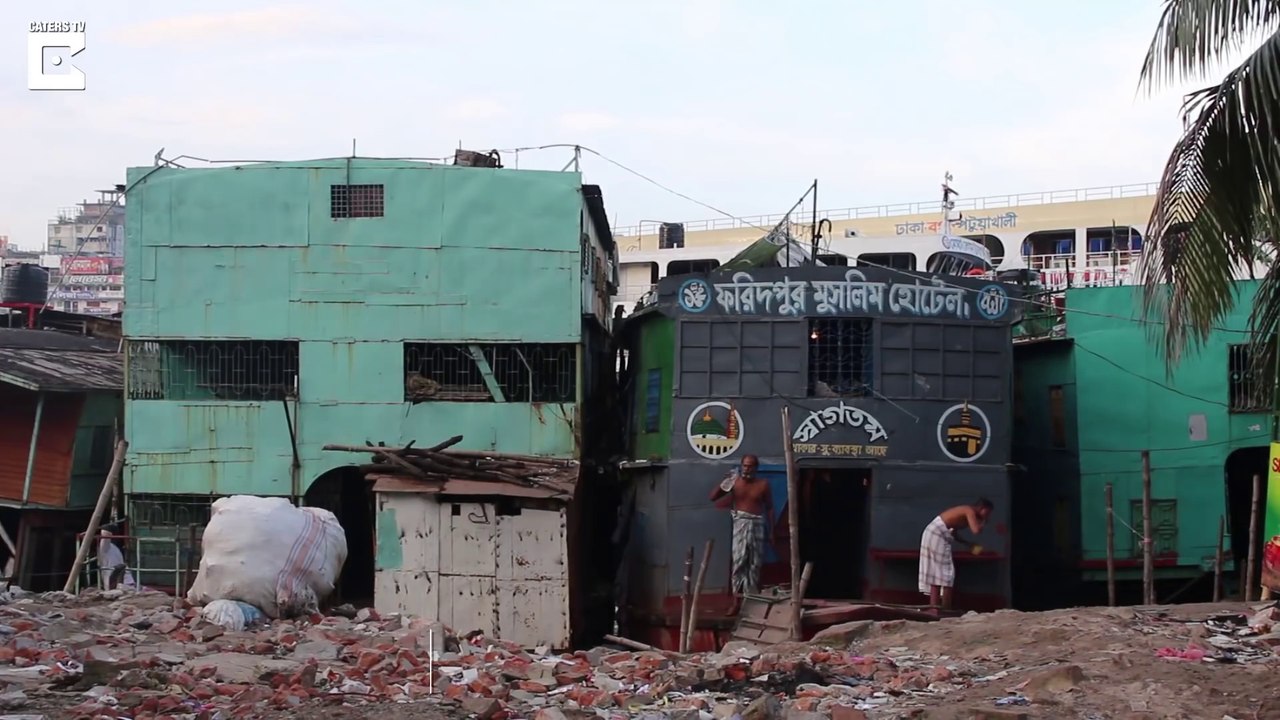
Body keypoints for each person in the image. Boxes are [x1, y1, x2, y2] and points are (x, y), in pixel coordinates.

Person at [709, 454, 772, 607]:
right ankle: (736, 601)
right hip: (740, 523)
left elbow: (769, 508)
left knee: (755, 564)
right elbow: (713, 497)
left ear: (756, 468)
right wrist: (724, 483)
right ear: (741, 466)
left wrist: (772, 531)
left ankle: (752, 601)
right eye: (745, 465)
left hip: (757, 524)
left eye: (750, 466)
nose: (747, 469)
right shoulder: (734, 482)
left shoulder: (763, 484)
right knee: (739, 562)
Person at [918, 498, 993, 611]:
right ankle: (944, 608)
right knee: (946, 572)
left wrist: (968, 544)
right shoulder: (969, 511)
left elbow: (953, 532)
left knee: (936, 571)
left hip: (934, 532)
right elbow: (976, 530)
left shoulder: (964, 512)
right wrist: (984, 521)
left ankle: (935, 607)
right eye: (988, 512)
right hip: (937, 534)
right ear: (983, 508)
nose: (988, 515)